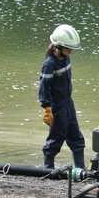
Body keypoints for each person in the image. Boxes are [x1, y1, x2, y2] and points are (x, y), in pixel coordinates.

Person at [38, 24, 86, 171]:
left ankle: (80, 168)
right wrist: (47, 109)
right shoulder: (49, 64)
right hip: (56, 107)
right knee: (56, 138)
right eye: (68, 49)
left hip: (68, 103)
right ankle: (48, 168)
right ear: (57, 47)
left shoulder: (65, 59)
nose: (70, 52)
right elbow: (43, 87)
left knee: (76, 136)